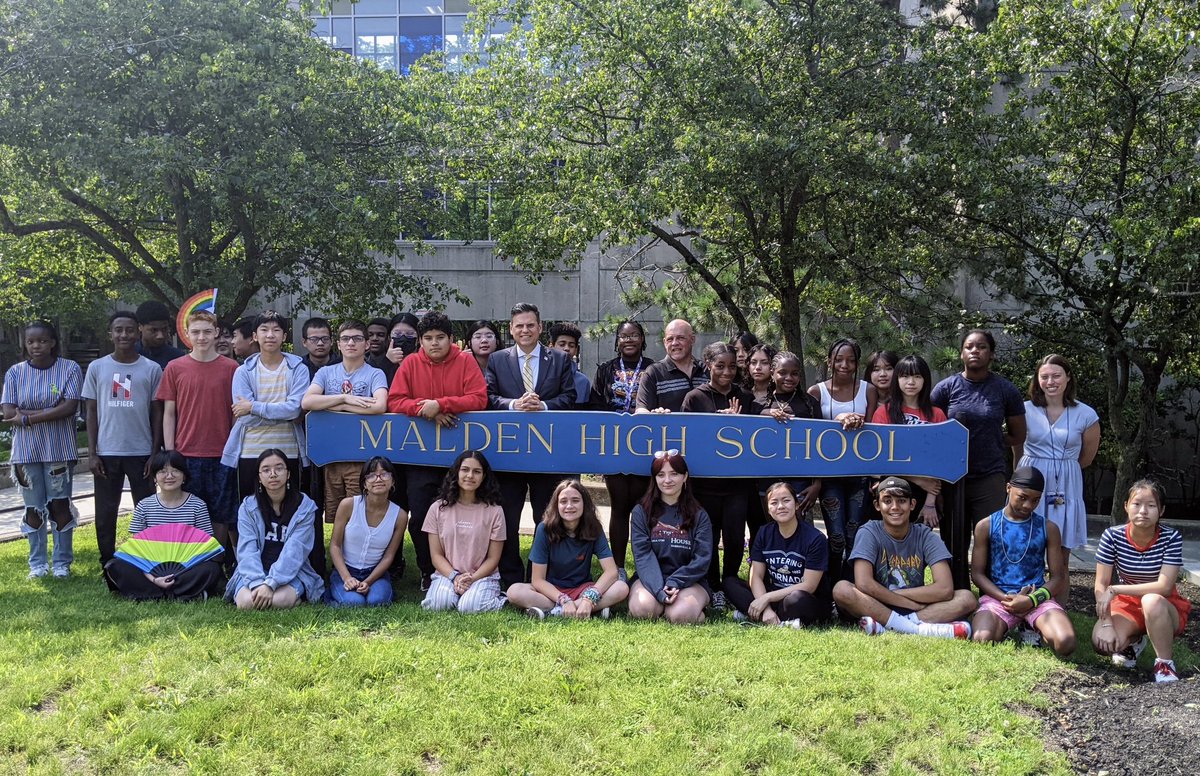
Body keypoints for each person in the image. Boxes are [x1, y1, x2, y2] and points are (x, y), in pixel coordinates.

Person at [388, 310, 488, 591]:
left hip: (461, 458)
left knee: (462, 516)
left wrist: (441, 404)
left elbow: (479, 399)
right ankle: (427, 571)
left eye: (440, 338)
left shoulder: (466, 361)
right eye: (428, 338)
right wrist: (427, 410)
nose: (434, 343)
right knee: (421, 516)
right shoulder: (409, 364)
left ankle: (465, 572)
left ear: (451, 339)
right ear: (420, 340)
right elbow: (395, 401)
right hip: (420, 457)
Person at [485, 302, 578, 589]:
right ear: (511, 330)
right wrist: (514, 404)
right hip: (509, 455)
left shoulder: (560, 359)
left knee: (547, 518)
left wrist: (544, 406)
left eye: (530, 325)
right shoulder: (497, 360)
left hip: (547, 454)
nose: (525, 330)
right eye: (519, 326)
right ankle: (511, 578)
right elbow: (488, 397)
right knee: (507, 518)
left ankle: (545, 577)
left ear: (539, 327)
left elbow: (570, 397)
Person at [221, 311, 320, 574]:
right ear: (255, 336)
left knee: (290, 511)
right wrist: (271, 411)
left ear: (285, 336)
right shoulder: (243, 371)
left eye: (276, 330)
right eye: (264, 330)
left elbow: (294, 409)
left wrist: (254, 406)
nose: (270, 335)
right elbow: (243, 418)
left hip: (289, 450)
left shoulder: (297, 368)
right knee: (253, 512)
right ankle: (252, 569)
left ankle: (293, 568)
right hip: (249, 452)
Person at [832, 477, 976, 639]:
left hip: (909, 607)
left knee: (967, 598)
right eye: (887, 501)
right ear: (877, 506)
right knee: (842, 589)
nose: (895, 507)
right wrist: (908, 603)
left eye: (901, 501)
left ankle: (892, 626)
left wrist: (899, 596)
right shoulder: (869, 531)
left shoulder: (925, 536)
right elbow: (864, 583)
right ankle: (918, 629)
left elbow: (945, 589)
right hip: (878, 604)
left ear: (912, 504)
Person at [1014, 354, 1100, 605]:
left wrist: (1060, 469)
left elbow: (1086, 457)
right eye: (1044, 376)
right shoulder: (1024, 409)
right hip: (1031, 483)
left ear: (1068, 377)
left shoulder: (1086, 414)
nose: (1050, 381)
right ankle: (1025, 612)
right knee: (1027, 552)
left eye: (1056, 375)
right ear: (1037, 379)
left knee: (1060, 559)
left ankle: (1057, 612)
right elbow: (1017, 448)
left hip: (1066, 487)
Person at [1, 321, 83, 579]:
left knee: (60, 506)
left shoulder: (69, 369)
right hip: (26, 453)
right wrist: (49, 410)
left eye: (43, 341)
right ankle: (37, 563)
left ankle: (61, 563)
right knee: (33, 509)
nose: (37, 346)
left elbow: (69, 408)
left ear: (53, 342)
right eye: (31, 342)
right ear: (25, 345)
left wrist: (27, 417)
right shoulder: (15, 373)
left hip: (59, 449)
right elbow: (8, 412)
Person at [83, 310, 163, 570]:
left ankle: (146, 559)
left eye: (129, 329)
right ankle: (107, 561)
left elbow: (156, 413)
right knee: (106, 511)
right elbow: (91, 411)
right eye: (118, 330)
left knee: (146, 509)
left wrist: (155, 452)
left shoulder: (151, 369)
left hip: (141, 453)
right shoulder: (97, 367)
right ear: (111, 333)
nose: (124, 335)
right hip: (107, 452)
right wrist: (92, 453)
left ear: (138, 331)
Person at [158, 311, 240, 557]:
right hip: (186, 453)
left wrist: (233, 447)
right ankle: (192, 560)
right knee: (189, 510)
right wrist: (171, 452)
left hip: (223, 453)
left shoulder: (232, 368)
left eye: (207, 331)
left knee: (222, 512)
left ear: (216, 333)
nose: (201, 337)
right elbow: (169, 413)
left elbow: (237, 413)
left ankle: (218, 561)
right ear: (187, 335)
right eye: (196, 332)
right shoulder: (175, 368)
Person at [970, 467, 1077, 656]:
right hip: (999, 598)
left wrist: (1030, 600)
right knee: (981, 640)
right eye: (1022, 497)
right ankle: (1013, 625)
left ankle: (1031, 625)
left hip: (1035, 597)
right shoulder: (986, 525)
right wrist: (1007, 600)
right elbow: (977, 574)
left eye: (1035, 500)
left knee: (1065, 643)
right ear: (1008, 488)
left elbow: (1058, 577)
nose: (1028, 505)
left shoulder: (1048, 528)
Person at [1092, 480, 1191, 683]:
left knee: (1151, 600)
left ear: (1161, 510)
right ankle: (1134, 642)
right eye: (1137, 504)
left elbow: (1163, 586)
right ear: (1126, 506)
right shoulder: (1112, 536)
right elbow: (1100, 585)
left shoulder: (1171, 538)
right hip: (1127, 604)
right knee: (1102, 643)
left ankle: (1165, 665)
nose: (1143, 511)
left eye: (1151, 505)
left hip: (1163, 605)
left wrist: (1115, 589)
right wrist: (1106, 623)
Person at [681, 342, 753, 612]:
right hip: (705, 485)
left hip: (736, 484)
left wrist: (740, 423)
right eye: (720, 365)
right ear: (708, 364)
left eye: (732, 366)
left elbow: (758, 432)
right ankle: (712, 586)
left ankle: (731, 583)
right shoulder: (694, 398)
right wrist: (718, 423)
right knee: (707, 537)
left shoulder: (744, 398)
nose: (727, 371)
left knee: (735, 537)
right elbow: (689, 437)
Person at [931, 329, 1027, 525]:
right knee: (952, 540)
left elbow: (1018, 435)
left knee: (989, 538)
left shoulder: (1005, 389)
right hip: (951, 476)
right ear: (961, 353)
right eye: (969, 347)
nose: (975, 351)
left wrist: (991, 438)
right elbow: (930, 432)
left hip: (989, 476)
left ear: (991, 354)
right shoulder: (945, 388)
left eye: (982, 347)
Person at [103, 450, 225, 601]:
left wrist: (179, 572)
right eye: (162, 471)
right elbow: (137, 552)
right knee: (114, 565)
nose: (169, 476)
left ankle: (150, 594)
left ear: (184, 476)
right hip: (149, 571)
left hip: (186, 570)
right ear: (154, 477)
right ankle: (179, 594)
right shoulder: (144, 506)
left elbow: (205, 550)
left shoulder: (197, 505)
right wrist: (154, 578)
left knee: (211, 568)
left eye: (175, 471)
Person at [301, 320, 389, 523]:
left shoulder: (375, 373)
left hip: (361, 454)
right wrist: (344, 398)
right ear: (338, 344)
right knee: (336, 515)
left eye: (357, 339)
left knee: (359, 513)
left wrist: (334, 406)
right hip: (332, 455)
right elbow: (308, 401)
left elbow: (379, 406)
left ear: (366, 344)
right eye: (346, 339)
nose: (351, 343)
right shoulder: (325, 372)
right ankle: (337, 554)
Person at [507, 480, 629, 619]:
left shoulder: (594, 528)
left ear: (585, 504)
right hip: (551, 592)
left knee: (621, 588)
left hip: (583, 590)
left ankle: (557, 612)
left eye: (575, 500)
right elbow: (538, 580)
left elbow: (612, 572)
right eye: (563, 501)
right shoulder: (544, 529)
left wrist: (589, 598)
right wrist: (563, 599)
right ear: (556, 505)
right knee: (514, 591)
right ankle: (585, 610)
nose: (569, 506)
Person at [589, 320, 655, 571]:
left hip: (643, 446)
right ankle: (617, 567)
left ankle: (643, 566)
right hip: (614, 446)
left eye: (634, 335)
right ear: (617, 340)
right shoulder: (605, 370)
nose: (629, 340)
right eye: (624, 336)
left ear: (642, 339)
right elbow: (595, 405)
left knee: (641, 508)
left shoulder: (652, 368)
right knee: (619, 506)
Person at [808, 338, 877, 570]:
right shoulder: (817, 392)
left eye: (850, 360)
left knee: (854, 533)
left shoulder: (869, 390)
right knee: (836, 536)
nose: (844, 365)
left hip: (860, 473)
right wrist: (838, 418)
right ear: (830, 361)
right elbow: (812, 433)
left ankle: (852, 586)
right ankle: (830, 584)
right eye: (839, 360)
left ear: (857, 364)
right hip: (830, 474)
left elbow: (877, 430)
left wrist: (861, 421)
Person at [225, 449, 324, 609]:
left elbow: (295, 551)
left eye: (279, 468)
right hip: (254, 571)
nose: (273, 474)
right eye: (266, 470)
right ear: (259, 476)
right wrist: (257, 584)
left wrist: (271, 584)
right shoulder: (248, 507)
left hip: (291, 573)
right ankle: (285, 599)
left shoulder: (304, 508)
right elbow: (247, 549)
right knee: (245, 603)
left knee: (279, 600)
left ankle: (290, 597)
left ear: (288, 474)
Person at [727, 481, 830, 628]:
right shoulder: (764, 533)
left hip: (802, 598)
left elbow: (809, 586)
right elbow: (756, 576)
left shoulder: (815, 538)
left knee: (797, 598)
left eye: (786, 500)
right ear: (768, 510)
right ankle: (775, 618)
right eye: (774, 503)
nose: (780, 506)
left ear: (797, 505)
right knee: (730, 583)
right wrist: (767, 607)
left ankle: (756, 614)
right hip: (775, 597)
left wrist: (766, 598)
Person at [628, 451, 712, 624]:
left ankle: (691, 610)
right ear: (655, 478)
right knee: (644, 609)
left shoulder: (699, 515)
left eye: (674, 474)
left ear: (685, 476)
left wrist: (676, 581)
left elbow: (702, 559)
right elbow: (643, 556)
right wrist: (658, 589)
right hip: (649, 578)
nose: (667, 480)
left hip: (689, 581)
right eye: (661, 475)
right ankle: (655, 605)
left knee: (680, 615)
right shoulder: (641, 512)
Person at [421, 450, 507, 613]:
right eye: (465, 470)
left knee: (469, 607)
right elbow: (436, 555)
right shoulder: (438, 508)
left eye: (477, 471)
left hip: (482, 576)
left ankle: (501, 600)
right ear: (456, 472)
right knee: (440, 604)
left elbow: (493, 558)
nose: (470, 476)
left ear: (484, 477)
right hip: (447, 574)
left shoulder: (495, 511)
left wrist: (471, 579)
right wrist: (455, 577)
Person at [870, 355, 947, 527]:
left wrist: (930, 503)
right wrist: (918, 479)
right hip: (891, 488)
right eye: (905, 376)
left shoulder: (937, 415)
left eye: (917, 376)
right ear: (897, 379)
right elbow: (879, 459)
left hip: (924, 493)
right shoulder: (883, 413)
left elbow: (940, 463)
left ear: (925, 380)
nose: (911, 382)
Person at [326, 457, 408, 608]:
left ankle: (377, 589)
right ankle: (333, 594)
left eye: (384, 474)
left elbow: (389, 556)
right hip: (346, 569)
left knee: (377, 601)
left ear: (393, 481)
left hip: (375, 573)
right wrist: (346, 578)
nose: (378, 479)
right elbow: (335, 546)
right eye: (371, 475)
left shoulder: (400, 515)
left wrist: (368, 581)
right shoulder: (348, 505)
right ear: (364, 483)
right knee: (354, 603)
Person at [635, 319, 707, 414]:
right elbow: (641, 410)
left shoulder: (707, 370)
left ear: (692, 339)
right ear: (665, 342)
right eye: (670, 339)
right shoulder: (654, 373)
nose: (674, 343)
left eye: (680, 338)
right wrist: (653, 415)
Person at [548, 321, 591, 407]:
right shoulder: (542, 376)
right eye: (562, 344)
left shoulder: (583, 381)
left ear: (576, 350)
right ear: (551, 346)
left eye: (571, 345)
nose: (566, 348)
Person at [133, 300, 185, 369]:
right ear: (140, 327)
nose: (160, 336)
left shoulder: (178, 358)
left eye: (164, 329)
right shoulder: (130, 356)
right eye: (154, 330)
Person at [376, 312, 419, 386]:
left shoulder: (426, 361)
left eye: (410, 334)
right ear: (389, 337)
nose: (403, 337)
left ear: (419, 338)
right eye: (397, 334)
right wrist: (387, 361)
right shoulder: (379, 363)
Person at [741, 343, 777, 407]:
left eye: (764, 363)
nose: (758, 367)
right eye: (753, 362)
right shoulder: (741, 393)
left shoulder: (780, 395)